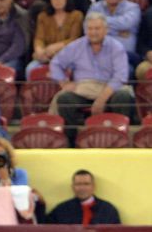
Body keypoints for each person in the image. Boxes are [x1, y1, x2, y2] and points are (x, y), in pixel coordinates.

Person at [50, 14, 134, 144]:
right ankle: (71, 142)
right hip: (84, 89)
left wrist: (101, 100)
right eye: (90, 29)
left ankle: (120, 140)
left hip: (108, 89)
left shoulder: (116, 47)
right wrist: (64, 82)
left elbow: (120, 77)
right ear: (85, 30)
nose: (93, 32)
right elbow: (55, 63)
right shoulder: (76, 46)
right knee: (64, 98)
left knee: (124, 96)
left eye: (97, 28)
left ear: (105, 30)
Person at [27, 0, 83, 79]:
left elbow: (74, 40)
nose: (57, 0)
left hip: (69, 57)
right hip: (46, 57)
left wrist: (56, 47)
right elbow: (39, 39)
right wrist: (39, 50)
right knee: (30, 68)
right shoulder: (43, 17)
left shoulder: (76, 16)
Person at [87, 0, 141, 65]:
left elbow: (126, 24)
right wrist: (117, 32)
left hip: (125, 57)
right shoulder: (95, 7)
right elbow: (87, 29)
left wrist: (99, 27)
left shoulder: (133, 8)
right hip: (97, 55)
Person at [46, 169, 121, 225]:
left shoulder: (108, 210)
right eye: (78, 184)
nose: (82, 188)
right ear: (72, 187)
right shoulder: (61, 210)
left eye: (86, 184)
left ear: (93, 187)